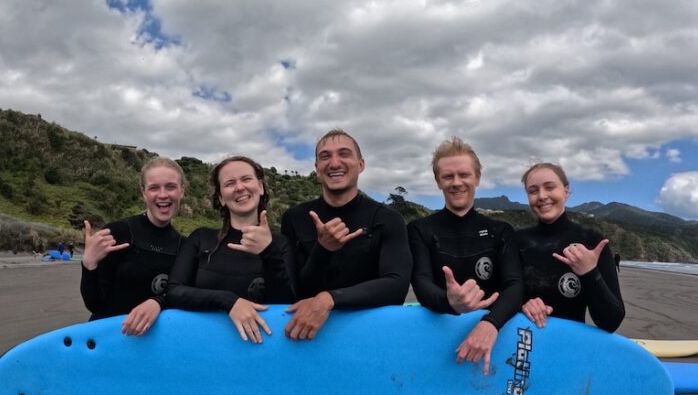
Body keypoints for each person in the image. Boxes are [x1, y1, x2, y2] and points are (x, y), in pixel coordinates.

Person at [280, 129, 411, 340]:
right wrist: (322, 250)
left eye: (344, 154)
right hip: (308, 338)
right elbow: (294, 291)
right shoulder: (294, 218)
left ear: (361, 164)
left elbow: (397, 286)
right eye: (325, 157)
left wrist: (330, 299)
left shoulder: (388, 219)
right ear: (317, 168)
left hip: (369, 337)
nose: (334, 163)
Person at [408, 137, 524, 374]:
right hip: (437, 343)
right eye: (448, 176)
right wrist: (450, 302)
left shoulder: (501, 231)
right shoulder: (419, 229)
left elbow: (515, 285)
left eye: (464, 175)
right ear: (438, 181)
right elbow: (421, 283)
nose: (456, 182)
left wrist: (491, 323)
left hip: (493, 340)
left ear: (477, 177)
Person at [167, 156, 295, 343]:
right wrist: (228, 301)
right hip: (202, 344)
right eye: (229, 183)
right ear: (221, 197)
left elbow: (286, 303)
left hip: (260, 347)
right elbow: (174, 292)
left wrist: (268, 251)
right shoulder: (201, 238)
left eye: (246, 179)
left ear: (260, 187)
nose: (240, 187)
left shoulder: (280, 244)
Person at [80, 156, 185, 336]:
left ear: (181, 191)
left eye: (170, 187)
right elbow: (94, 304)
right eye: (154, 188)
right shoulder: (118, 232)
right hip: (111, 337)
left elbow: (183, 296)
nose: (163, 195)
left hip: (154, 342)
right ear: (144, 193)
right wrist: (89, 264)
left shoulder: (184, 246)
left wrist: (158, 302)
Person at [516, 162, 624, 332]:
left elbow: (611, 322)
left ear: (566, 192)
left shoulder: (591, 241)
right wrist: (521, 304)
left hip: (569, 343)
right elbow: (498, 296)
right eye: (533, 191)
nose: (542, 196)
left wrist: (590, 273)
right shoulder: (516, 241)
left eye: (550, 187)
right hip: (523, 342)